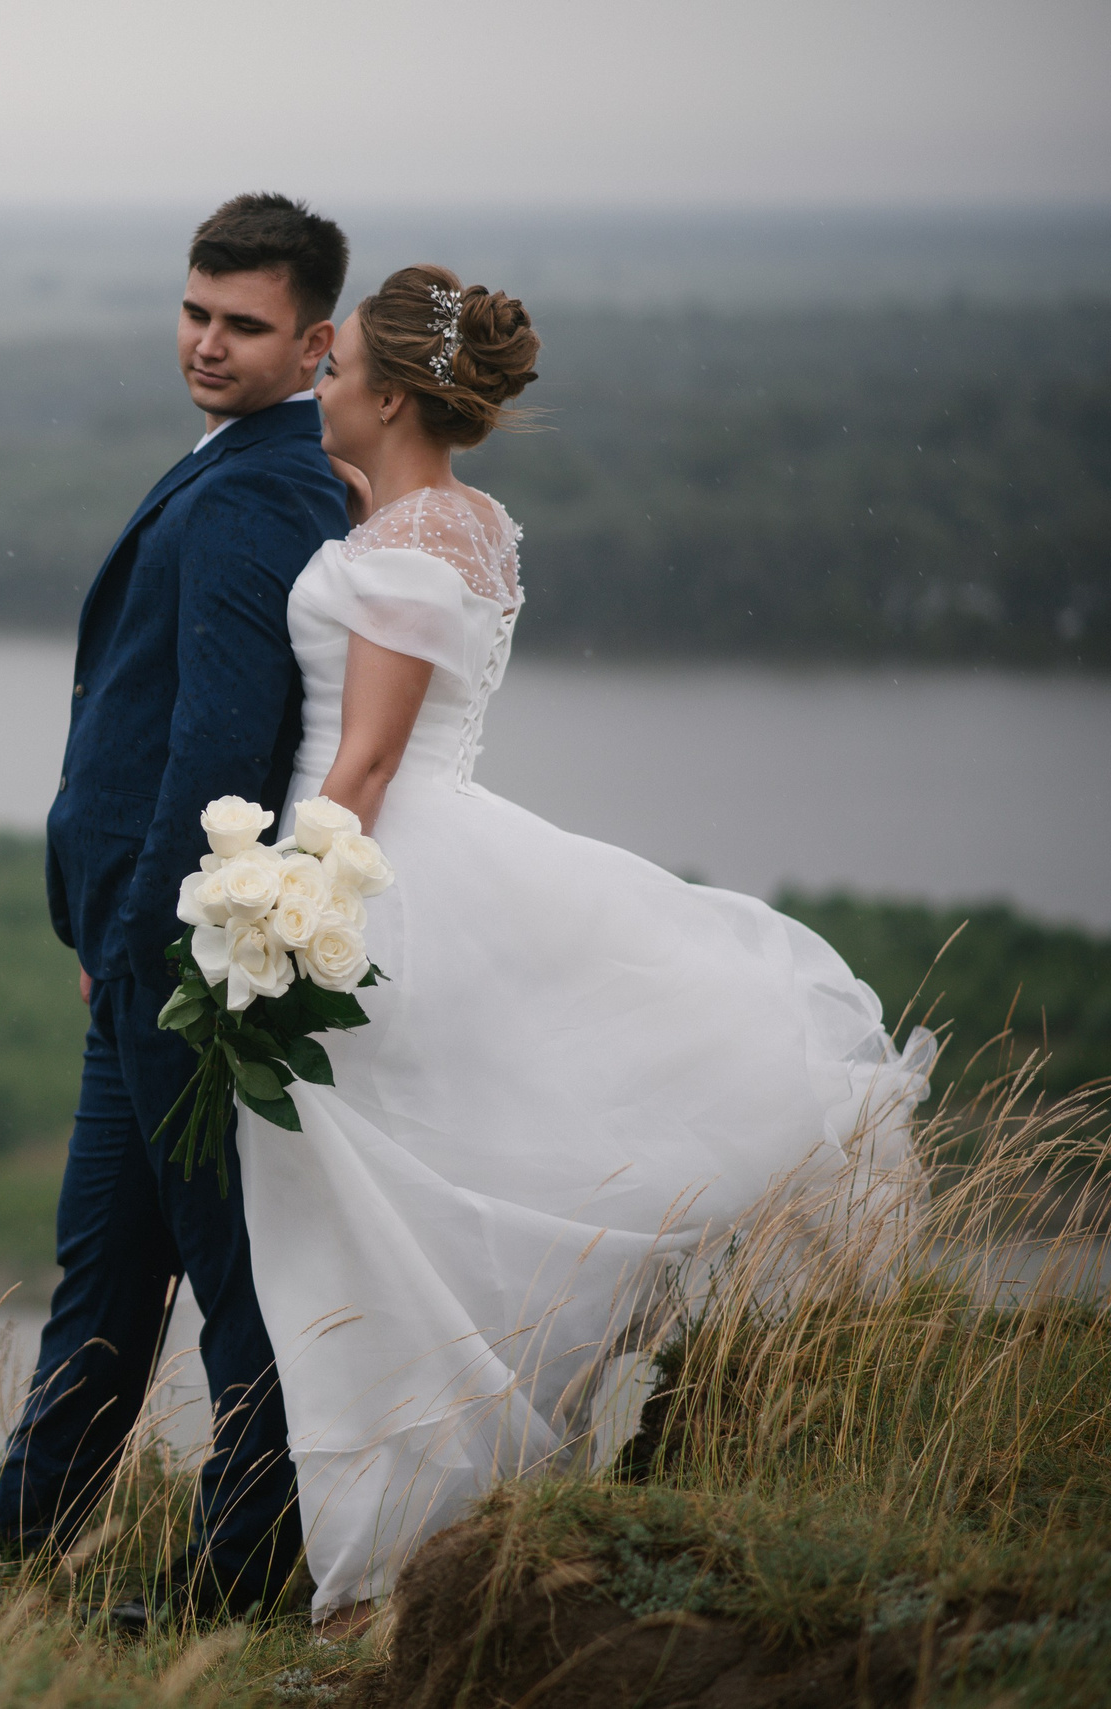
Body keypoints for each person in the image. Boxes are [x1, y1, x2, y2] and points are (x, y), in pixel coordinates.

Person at [241, 265, 932, 1632]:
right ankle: (418, 1502)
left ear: (385, 394)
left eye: (334, 374)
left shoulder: (411, 543)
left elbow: (370, 754)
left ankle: (406, 1520)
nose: (316, 388)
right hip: (429, 846)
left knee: (392, 1206)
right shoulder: (459, 518)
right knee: (423, 1184)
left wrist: (286, 912)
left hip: (382, 872)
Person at [0, 193, 355, 1624]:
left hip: (175, 953)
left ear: (315, 341)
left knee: (230, 1274)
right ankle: (19, 1531)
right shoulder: (240, 458)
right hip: (133, 949)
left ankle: (243, 1572)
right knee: (109, 1260)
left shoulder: (269, 485)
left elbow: (220, 740)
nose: (207, 343)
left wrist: (148, 932)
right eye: (194, 312)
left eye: (245, 326)